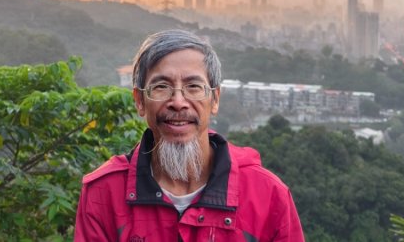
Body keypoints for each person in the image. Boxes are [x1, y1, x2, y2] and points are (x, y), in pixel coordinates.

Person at [75, 29, 304, 241]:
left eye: (193, 86)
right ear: (139, 101)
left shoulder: (267, 195)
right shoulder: (103, 193)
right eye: (161, 86)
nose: (178, 102)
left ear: (214, 99)